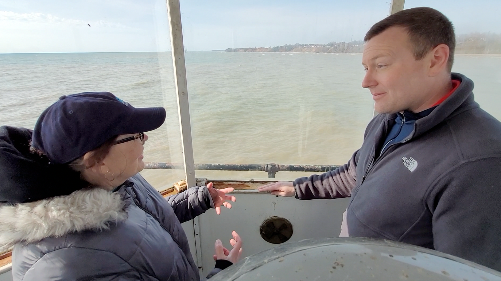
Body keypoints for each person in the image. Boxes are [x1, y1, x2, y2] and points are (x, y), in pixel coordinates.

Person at [259, 7, 501, 272]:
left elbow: (465, 274)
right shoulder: (390, 118)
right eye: (365, 68)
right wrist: (300, 188)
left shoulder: (479, 160)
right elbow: (357, 172)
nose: (365, 81)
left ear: (435, 60)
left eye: (381, 65)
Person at [0, 92, 242, 280]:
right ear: (96, 159)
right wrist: (223, 272)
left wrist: (198, 199)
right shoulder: (70, 265)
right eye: (135, 134)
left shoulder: (113, 181)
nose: (145, 137)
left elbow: (142, 222)